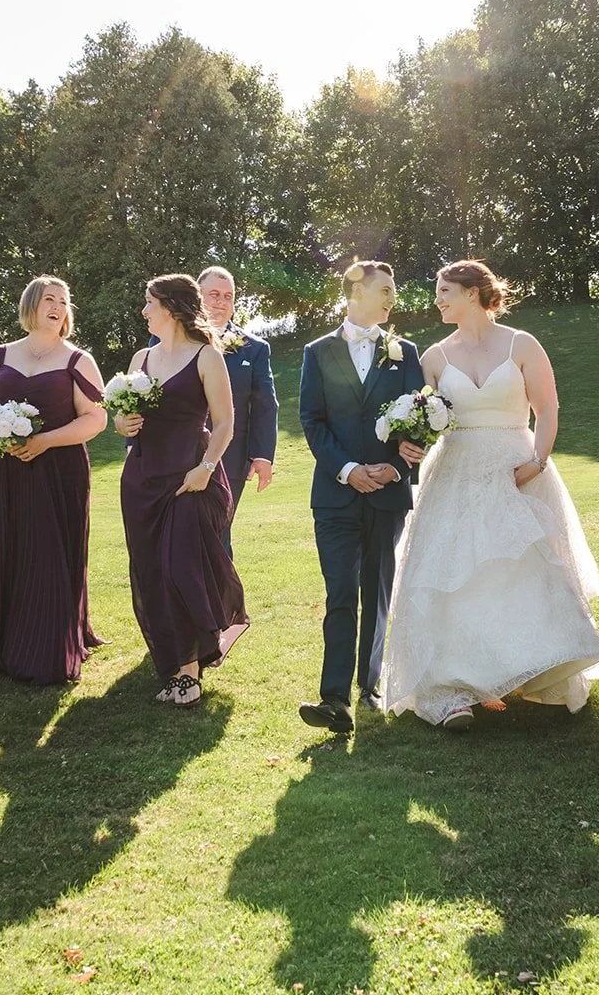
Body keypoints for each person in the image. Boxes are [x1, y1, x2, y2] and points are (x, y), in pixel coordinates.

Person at [383, 260, 599, 731]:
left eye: (445, 290)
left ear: (472, 293)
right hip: (456, 472)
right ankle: (454, 689)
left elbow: (547, 409)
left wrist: (537, 462)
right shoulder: (435, 358)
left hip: (516, 466)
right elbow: (421, 416)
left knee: (520, 569)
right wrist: (408, 440)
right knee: (455, 574)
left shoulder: (521, 343)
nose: (438, 300)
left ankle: (524, 671)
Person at [295, 260, 424, 735]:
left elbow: (422, 418)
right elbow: (312, 420)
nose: (393, 298)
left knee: (377, 590)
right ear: (356, 290)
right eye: (385, 289)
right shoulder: (317, 351)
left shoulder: (405, 352)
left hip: (388, 492)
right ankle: (335, 700)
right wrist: (349, 471)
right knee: (341, 592)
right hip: (335, 495)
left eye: (394, 290)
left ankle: (368, 686)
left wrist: (396, 465)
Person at [0, 275, 108, 685]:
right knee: (1, 547)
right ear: (31, 305)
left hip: (58, 472)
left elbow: (95, 419)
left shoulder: (78, 360)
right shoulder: (0, 355)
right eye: (49, 299)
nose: (58, 306)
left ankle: (45, 646)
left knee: (48, 554)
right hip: (2, 469)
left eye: (64, 300)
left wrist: (45, 441)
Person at [112, 274, 249, 706]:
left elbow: (225, 423)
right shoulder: (140, 358)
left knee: (180, 568)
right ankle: (172, 663)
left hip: (191, 477)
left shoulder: (207, 356)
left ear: (170, 307)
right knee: (151, 571)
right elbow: (123, 418)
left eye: (149, 303)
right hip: (141, 479)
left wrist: (206, 469)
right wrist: (122, 423)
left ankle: (189, 671)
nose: (143, 311)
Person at [196, 266, 278, 558]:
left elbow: (264, 404)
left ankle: (221, 601)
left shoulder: (255, 349)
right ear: (197, 297)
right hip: (176, 451)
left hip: (230, 456)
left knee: (218, 530)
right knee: (181, 531)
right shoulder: (166, 341)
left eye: (228, 296)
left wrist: (262, 455)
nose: (220, 302)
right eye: (213, 295)